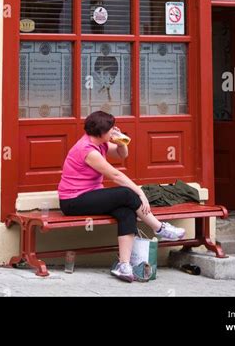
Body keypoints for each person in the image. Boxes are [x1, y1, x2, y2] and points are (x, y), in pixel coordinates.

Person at [57, 110, 185, 282]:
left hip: (91, 195)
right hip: (73, 201)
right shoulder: (88, 150)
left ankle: (123, 265)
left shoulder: (99, 143)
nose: (113, 131)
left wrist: (121, 140)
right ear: (101, 133)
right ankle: (159, 228)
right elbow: (116, 176)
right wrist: (140, 192)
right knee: (126, 193)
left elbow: (121, 154)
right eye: (110, 129)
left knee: (126, 211)